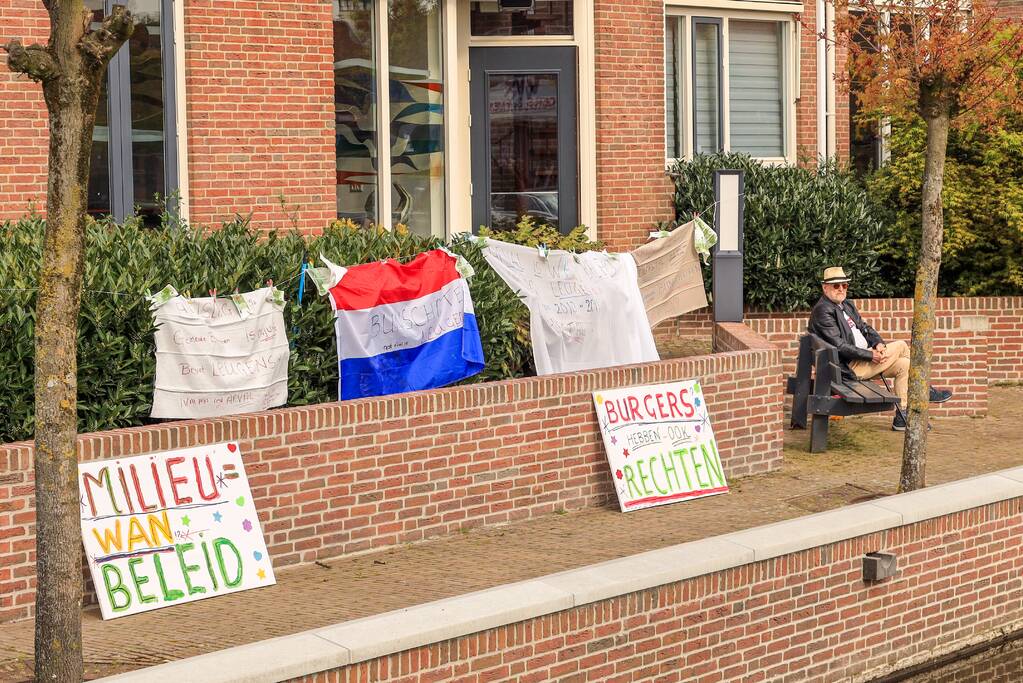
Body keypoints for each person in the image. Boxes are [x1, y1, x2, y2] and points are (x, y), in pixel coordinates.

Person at [808, 266, 952, 431]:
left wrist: (878, 343)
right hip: (848, 368)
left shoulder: (846, 304)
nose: (841, 289)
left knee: (905, 366)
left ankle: (901, 416)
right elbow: (839, 346)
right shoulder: (823, 310)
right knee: (901, 346)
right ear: (824, 287)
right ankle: (924, 389)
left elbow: (865, 328)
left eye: (844, 285)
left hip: (860, 361)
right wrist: (870, 355)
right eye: (836, 286)